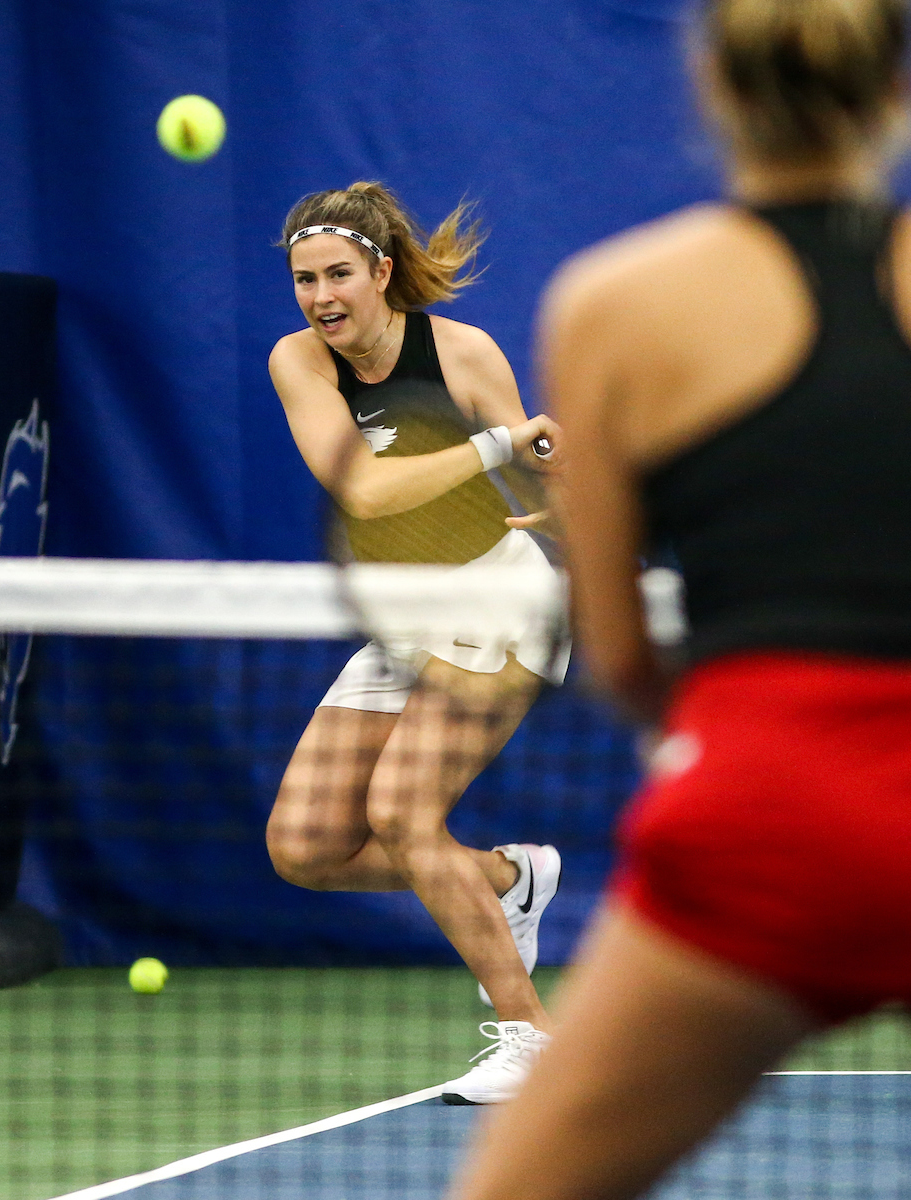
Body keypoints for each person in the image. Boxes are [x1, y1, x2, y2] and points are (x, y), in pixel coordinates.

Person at [450, 0, 911, 1194]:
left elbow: (620, 650)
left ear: (712, 84)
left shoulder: (614, 305)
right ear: (892, 91)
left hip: (762, 811)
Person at [265, 182, 566, 1104]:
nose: (322, 297)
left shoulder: (463, 353)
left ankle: (532, 1040)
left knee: (400, 811)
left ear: (383, 273)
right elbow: (362, 490)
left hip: (497, 600)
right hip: (403, 615)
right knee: (305, 846)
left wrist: (564, 482)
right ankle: (508, 881)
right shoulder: (300, 362)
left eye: (340, 276)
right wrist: (498, 447)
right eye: (306, 280)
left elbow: (539, 462)